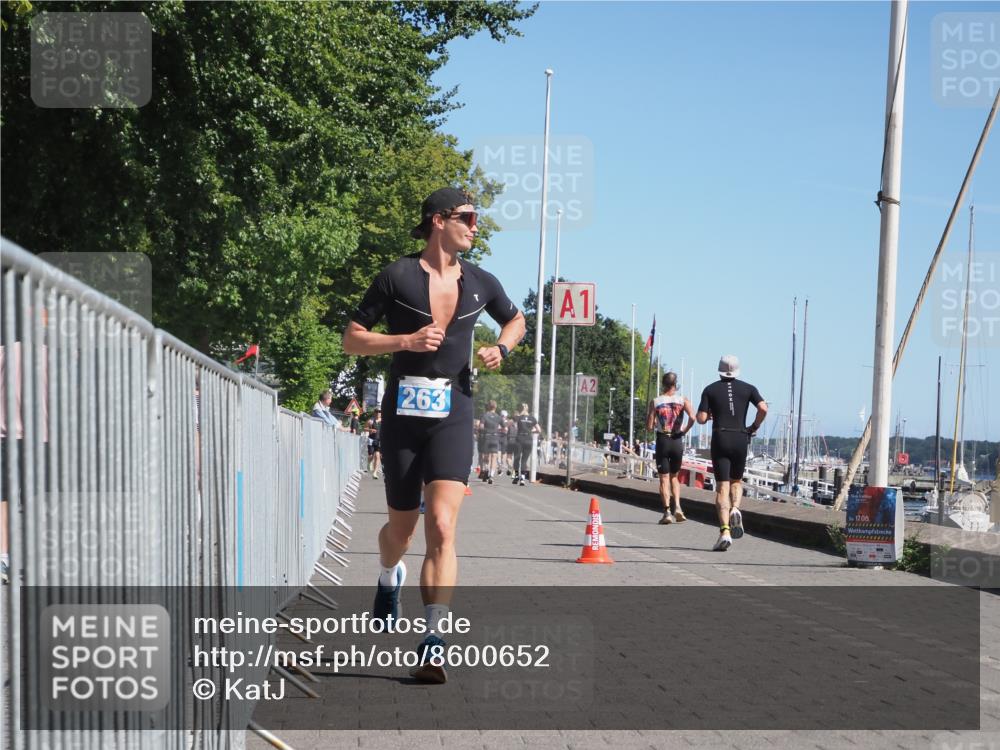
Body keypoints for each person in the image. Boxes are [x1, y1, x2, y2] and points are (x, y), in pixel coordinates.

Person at [342, 186, 525, 683]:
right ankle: (387, 576)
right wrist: (405, 340)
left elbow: (516, 320)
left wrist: (502, 350)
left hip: (454, 411)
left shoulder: (481, 281)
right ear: (439, 220)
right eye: (468, 216)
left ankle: (432, 640)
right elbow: (352, 337)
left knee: (442, 525)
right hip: (403, 415)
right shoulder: (397, 276)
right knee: (399, 534)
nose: (475, 225)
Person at [696, 355, 767, 551]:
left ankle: (725, 530)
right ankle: (736, 508)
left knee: (721, 487)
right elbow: (763, 407)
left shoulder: (710, 389)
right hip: (740, 437)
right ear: (737, 370)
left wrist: (707, 415)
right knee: (736, 481)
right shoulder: (748, 388)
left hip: (721, 437)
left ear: (719, 369)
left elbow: (700, 418)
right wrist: (753, 426)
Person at [646, 372, 696, 524]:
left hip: (663, 440)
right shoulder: (683, 400)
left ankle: (667, 511)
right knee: (675, 477)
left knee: (664, 478)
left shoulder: (656, 401)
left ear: (663, 384)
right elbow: (693, 417)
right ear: (676, 384)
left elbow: (649, 427)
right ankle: (679, 508)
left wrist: (653, 421)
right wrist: (684, 431)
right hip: (677, 441)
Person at [512, 403, 540, 486]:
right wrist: (531, 431)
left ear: (522, 409)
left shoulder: (519, 417)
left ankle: (516, 476)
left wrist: (521, 412)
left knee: (517, 458)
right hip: (528, 439)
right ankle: (523, 479)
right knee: (524, 460)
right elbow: (539, 430)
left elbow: (515, 419)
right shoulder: (532, 418)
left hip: (519, 439)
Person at [480, 401, 502, 484]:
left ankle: (486, 470)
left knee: (486, 456)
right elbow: (505, 428)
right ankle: (491, 476)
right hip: (495, 437)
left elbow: (481, 427)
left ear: (488, 407)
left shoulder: (485, 415)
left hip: (487, 437)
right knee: (494, 456)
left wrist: (486, 430)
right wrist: (496, 429)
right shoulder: (498, 417)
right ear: (495, 407)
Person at [367, 409, 383, 479]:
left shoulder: (384, 421)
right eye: (377, 412)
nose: (378, 413)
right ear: (374, 413)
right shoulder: (370, 420)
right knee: (371, 455)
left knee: (377, 456)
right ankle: (369, 462)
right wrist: (370, 430)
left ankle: (375, 472)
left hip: (379, 440)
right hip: (371, 439)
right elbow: (364, 428)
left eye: (380, 412)